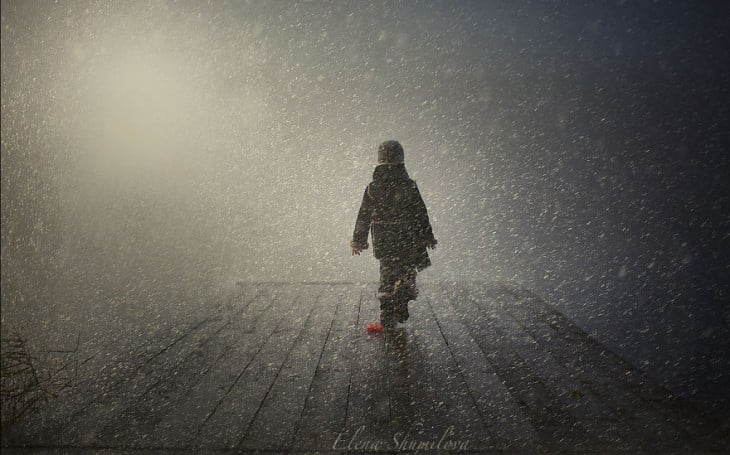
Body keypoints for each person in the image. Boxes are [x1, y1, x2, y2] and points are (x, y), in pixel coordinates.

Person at [351, 140, 437, 328]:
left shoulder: (373, 188)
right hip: (407, 237)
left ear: (379, 160)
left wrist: (358, 240)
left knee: (387, 274)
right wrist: (427, 236)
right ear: (401, 160)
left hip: (384, 239)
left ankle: (386, 310)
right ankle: (402, 297)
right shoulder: (409, 186)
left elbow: (363, 214)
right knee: (406, 271)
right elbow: (421, 212)